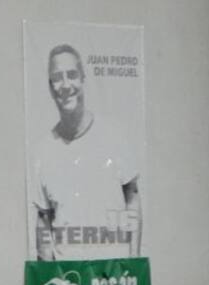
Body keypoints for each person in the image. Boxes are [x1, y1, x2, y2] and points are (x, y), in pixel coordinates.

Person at [32, 44, 141, 261]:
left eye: (72, 75)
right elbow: (44, 219)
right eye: (57, 78)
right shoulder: (43, 151)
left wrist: (133, 261)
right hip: (70, 275)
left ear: (83, 79)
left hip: (112, 274)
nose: (66, 85)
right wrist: (48, 271)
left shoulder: (114, 135)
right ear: (50, 88)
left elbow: (132, 197)